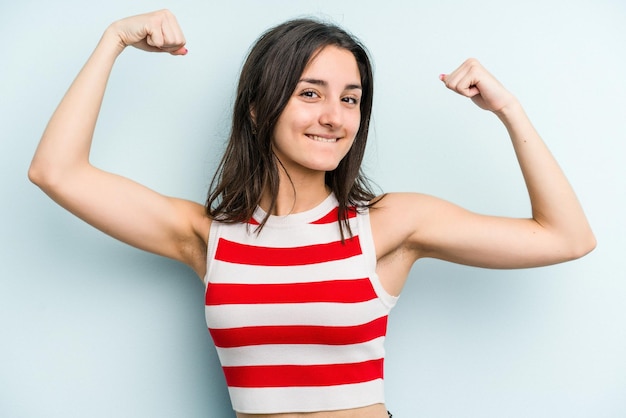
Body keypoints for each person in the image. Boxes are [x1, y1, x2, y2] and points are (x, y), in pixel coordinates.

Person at [28, 9, 595, 418]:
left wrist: (509, 111)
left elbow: (565, 237)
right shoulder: (206, 237)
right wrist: (113, 40)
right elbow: (56, 171)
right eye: (310, 92)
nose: (334, 115)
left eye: (350, 99)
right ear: (258, 107)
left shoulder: (390, 226)